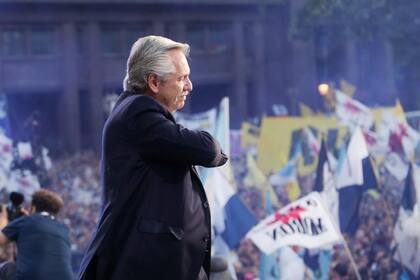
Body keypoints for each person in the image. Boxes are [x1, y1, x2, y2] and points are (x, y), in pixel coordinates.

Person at [78, 35, 228, 280]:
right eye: (181, 78)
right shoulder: (139, 113)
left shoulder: (135, 112)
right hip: (145, 266)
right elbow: (207, 150)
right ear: (154, 82)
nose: (189, 86)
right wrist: (216, 150)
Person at [0, 189, 73, 280]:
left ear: (33, 208)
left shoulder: (26, 221)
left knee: (6, 268)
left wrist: (3, 219)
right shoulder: (64, 229)